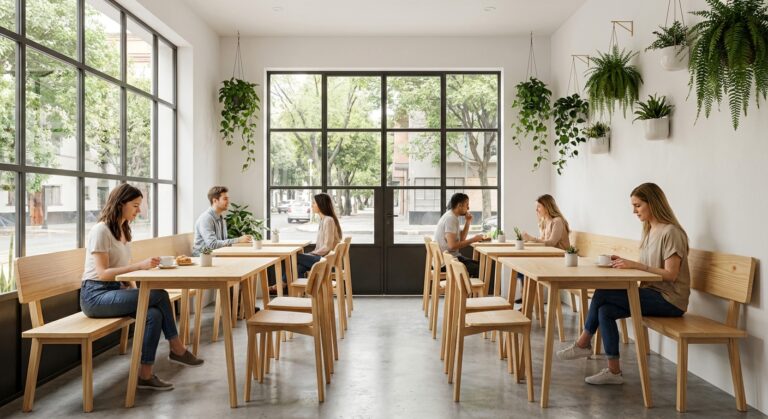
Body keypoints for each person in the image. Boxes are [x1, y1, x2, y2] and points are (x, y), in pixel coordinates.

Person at [556, 182, 689, 385]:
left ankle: (583, 343)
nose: (634, 211)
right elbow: (648, 266)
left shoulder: (671, 233)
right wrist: (622, 263)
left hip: (670, 300)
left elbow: (671, 275)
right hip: (651, 292)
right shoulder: (649, 231)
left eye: (637, 205)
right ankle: (614, 372)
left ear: (652, 203)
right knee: (605, 311)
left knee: (602, 293)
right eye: (633, 206)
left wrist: (636, 265)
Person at [80, 184, 203, 391]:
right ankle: (177, 347)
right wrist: (139, 266)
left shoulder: (124, 230)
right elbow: (102, 273)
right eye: (135, 206)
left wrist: (135, 290)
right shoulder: (101, 230)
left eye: (139, 206)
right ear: (121, 204)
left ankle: (145, 375)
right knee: (160, 295)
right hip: (95, 296)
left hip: (116, 291)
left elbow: (123, 272)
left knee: (153, 314)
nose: (139, 210)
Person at [517, 194, 571, 302]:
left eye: (539, 207)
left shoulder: (558, 221)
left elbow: (551, 243)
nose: (536, 210)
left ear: (547, 207)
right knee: (522, 267)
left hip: (560, 259)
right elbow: (542, 241)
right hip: (550, 257)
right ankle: (527, 299)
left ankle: (528, 301)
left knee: (527, 267)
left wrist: (532, 239)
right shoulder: (545, 222)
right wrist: (528, 241)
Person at [434, 193, 486, 278]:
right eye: (467, 205)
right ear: (460, 205)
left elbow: (461, 239)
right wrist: (473, 239)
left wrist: (468, 222)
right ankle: (466, 291)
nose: (468, 208)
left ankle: (465, 291)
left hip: (448, 259)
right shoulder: (450, 219)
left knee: (479, 266)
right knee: (480, 268)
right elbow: (452, 246)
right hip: (446, 263)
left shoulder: (452, 216)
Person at [192, 186, 252, 256]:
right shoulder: (206, 218)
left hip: (217, 256)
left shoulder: (221, 218)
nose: (228, 202)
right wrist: (238, 240)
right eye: (225, 199)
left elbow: (222, 242)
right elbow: (212, 244)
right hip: (204, 260)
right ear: (215, 201)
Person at [296, 193, 342, 278]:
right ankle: (299, 289)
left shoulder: (328, 220)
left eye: (314, 203)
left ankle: (283, 284)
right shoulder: (323, 220)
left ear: (321, 204)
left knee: (294, 257)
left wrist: (312, 253)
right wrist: (311, 254)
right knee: (299, 268)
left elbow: (327, 247)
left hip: (325, 259)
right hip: (322, 257)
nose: (312, 206)